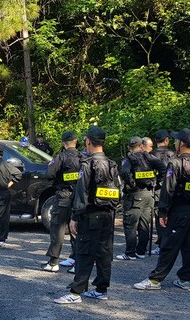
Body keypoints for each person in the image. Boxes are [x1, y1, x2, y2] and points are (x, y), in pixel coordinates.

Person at [134, 128, 190, 291]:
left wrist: (163, 212)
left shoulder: (175, 163)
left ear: (181, 144)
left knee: (169, 245)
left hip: (178, 211)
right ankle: (184, 279)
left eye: (176, 140)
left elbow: (168, 189)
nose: (174, 142)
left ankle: (155, 280)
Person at [54, 126, 121, 304]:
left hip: (90, 216)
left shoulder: (88, 164)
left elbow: (81, 192)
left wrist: (75, 217)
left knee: (84, 253)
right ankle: (101, 289)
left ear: (88, 141)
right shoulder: (112, 164)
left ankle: (76, 292)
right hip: (108, 215)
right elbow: (118, 192)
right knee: (104, 253)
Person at [115, 136, 166, 260]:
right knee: (144, 224)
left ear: (129, 147)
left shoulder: (129, 159)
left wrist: (131, 183)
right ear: (141, 146)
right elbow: (164, 168)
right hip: (149, 194)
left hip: (135, 195)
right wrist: (158, 182)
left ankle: (130, 253)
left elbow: (125, 172)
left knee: (130, 224)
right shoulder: (150, 157)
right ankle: (141, 251)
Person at [42, 131, 84, 271]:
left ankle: (54, 262)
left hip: (64, 197)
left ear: (63, 143)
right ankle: (77, 260)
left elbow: (49, 174)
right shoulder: (83, 157)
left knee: (57, 228)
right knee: (76, 228)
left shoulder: (60, 157)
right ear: (76, 141)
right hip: (79, 197)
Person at [150, 129, 176, 255]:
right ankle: (170, 242)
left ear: (155, 141)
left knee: (159, 216)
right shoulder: (173, 154)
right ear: (166, 140)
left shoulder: (151, 154)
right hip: (171, 189)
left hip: (157, 189)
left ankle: (161, 243)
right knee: (170, 215)